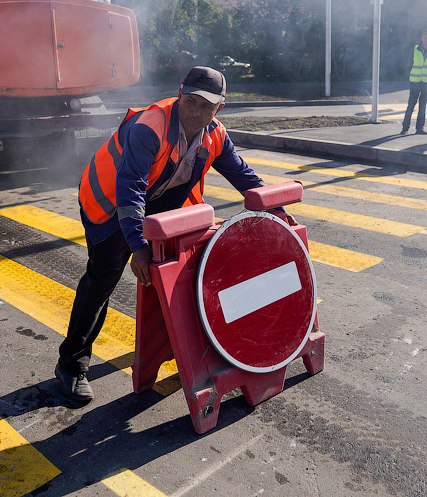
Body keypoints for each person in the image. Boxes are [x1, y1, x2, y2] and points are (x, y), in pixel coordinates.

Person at [56, 66, 296, 401]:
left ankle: (171, 346)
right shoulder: (149, 127)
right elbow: (130, 192)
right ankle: (71, 364)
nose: (196, 112)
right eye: (191, 101)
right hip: (109, 205)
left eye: (206, 106)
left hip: (157, 202)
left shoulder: (215, 134)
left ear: (218, 110)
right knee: (101, 282)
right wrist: (138, 247)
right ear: (179, 95)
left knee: (186, 272)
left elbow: (243, 175)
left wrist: (276, 208)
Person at [401, 29, 427, 136]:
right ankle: (405, 127)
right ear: (421, 38)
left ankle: (420, 128)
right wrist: (411, 76)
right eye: (425, 36)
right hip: (415, 81)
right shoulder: (415, 49)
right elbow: (409, 64)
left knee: (423, 106)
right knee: (411, 105)